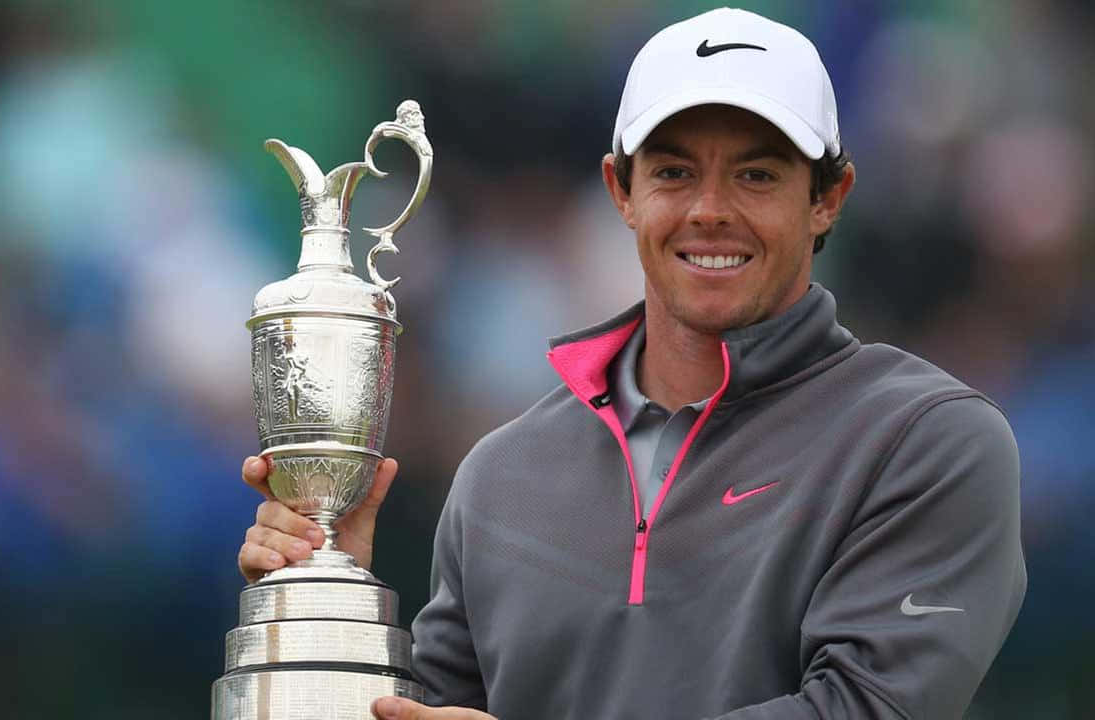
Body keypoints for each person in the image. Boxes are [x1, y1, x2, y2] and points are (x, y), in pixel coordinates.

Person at [238, 8, 1026, 719]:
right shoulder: (500, 477)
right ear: (621, 190)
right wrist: (332, 625)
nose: (710, 209)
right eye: (674, 172)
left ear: (828, 198)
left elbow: (863, 712)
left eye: (756, 174)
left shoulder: (927, 442)